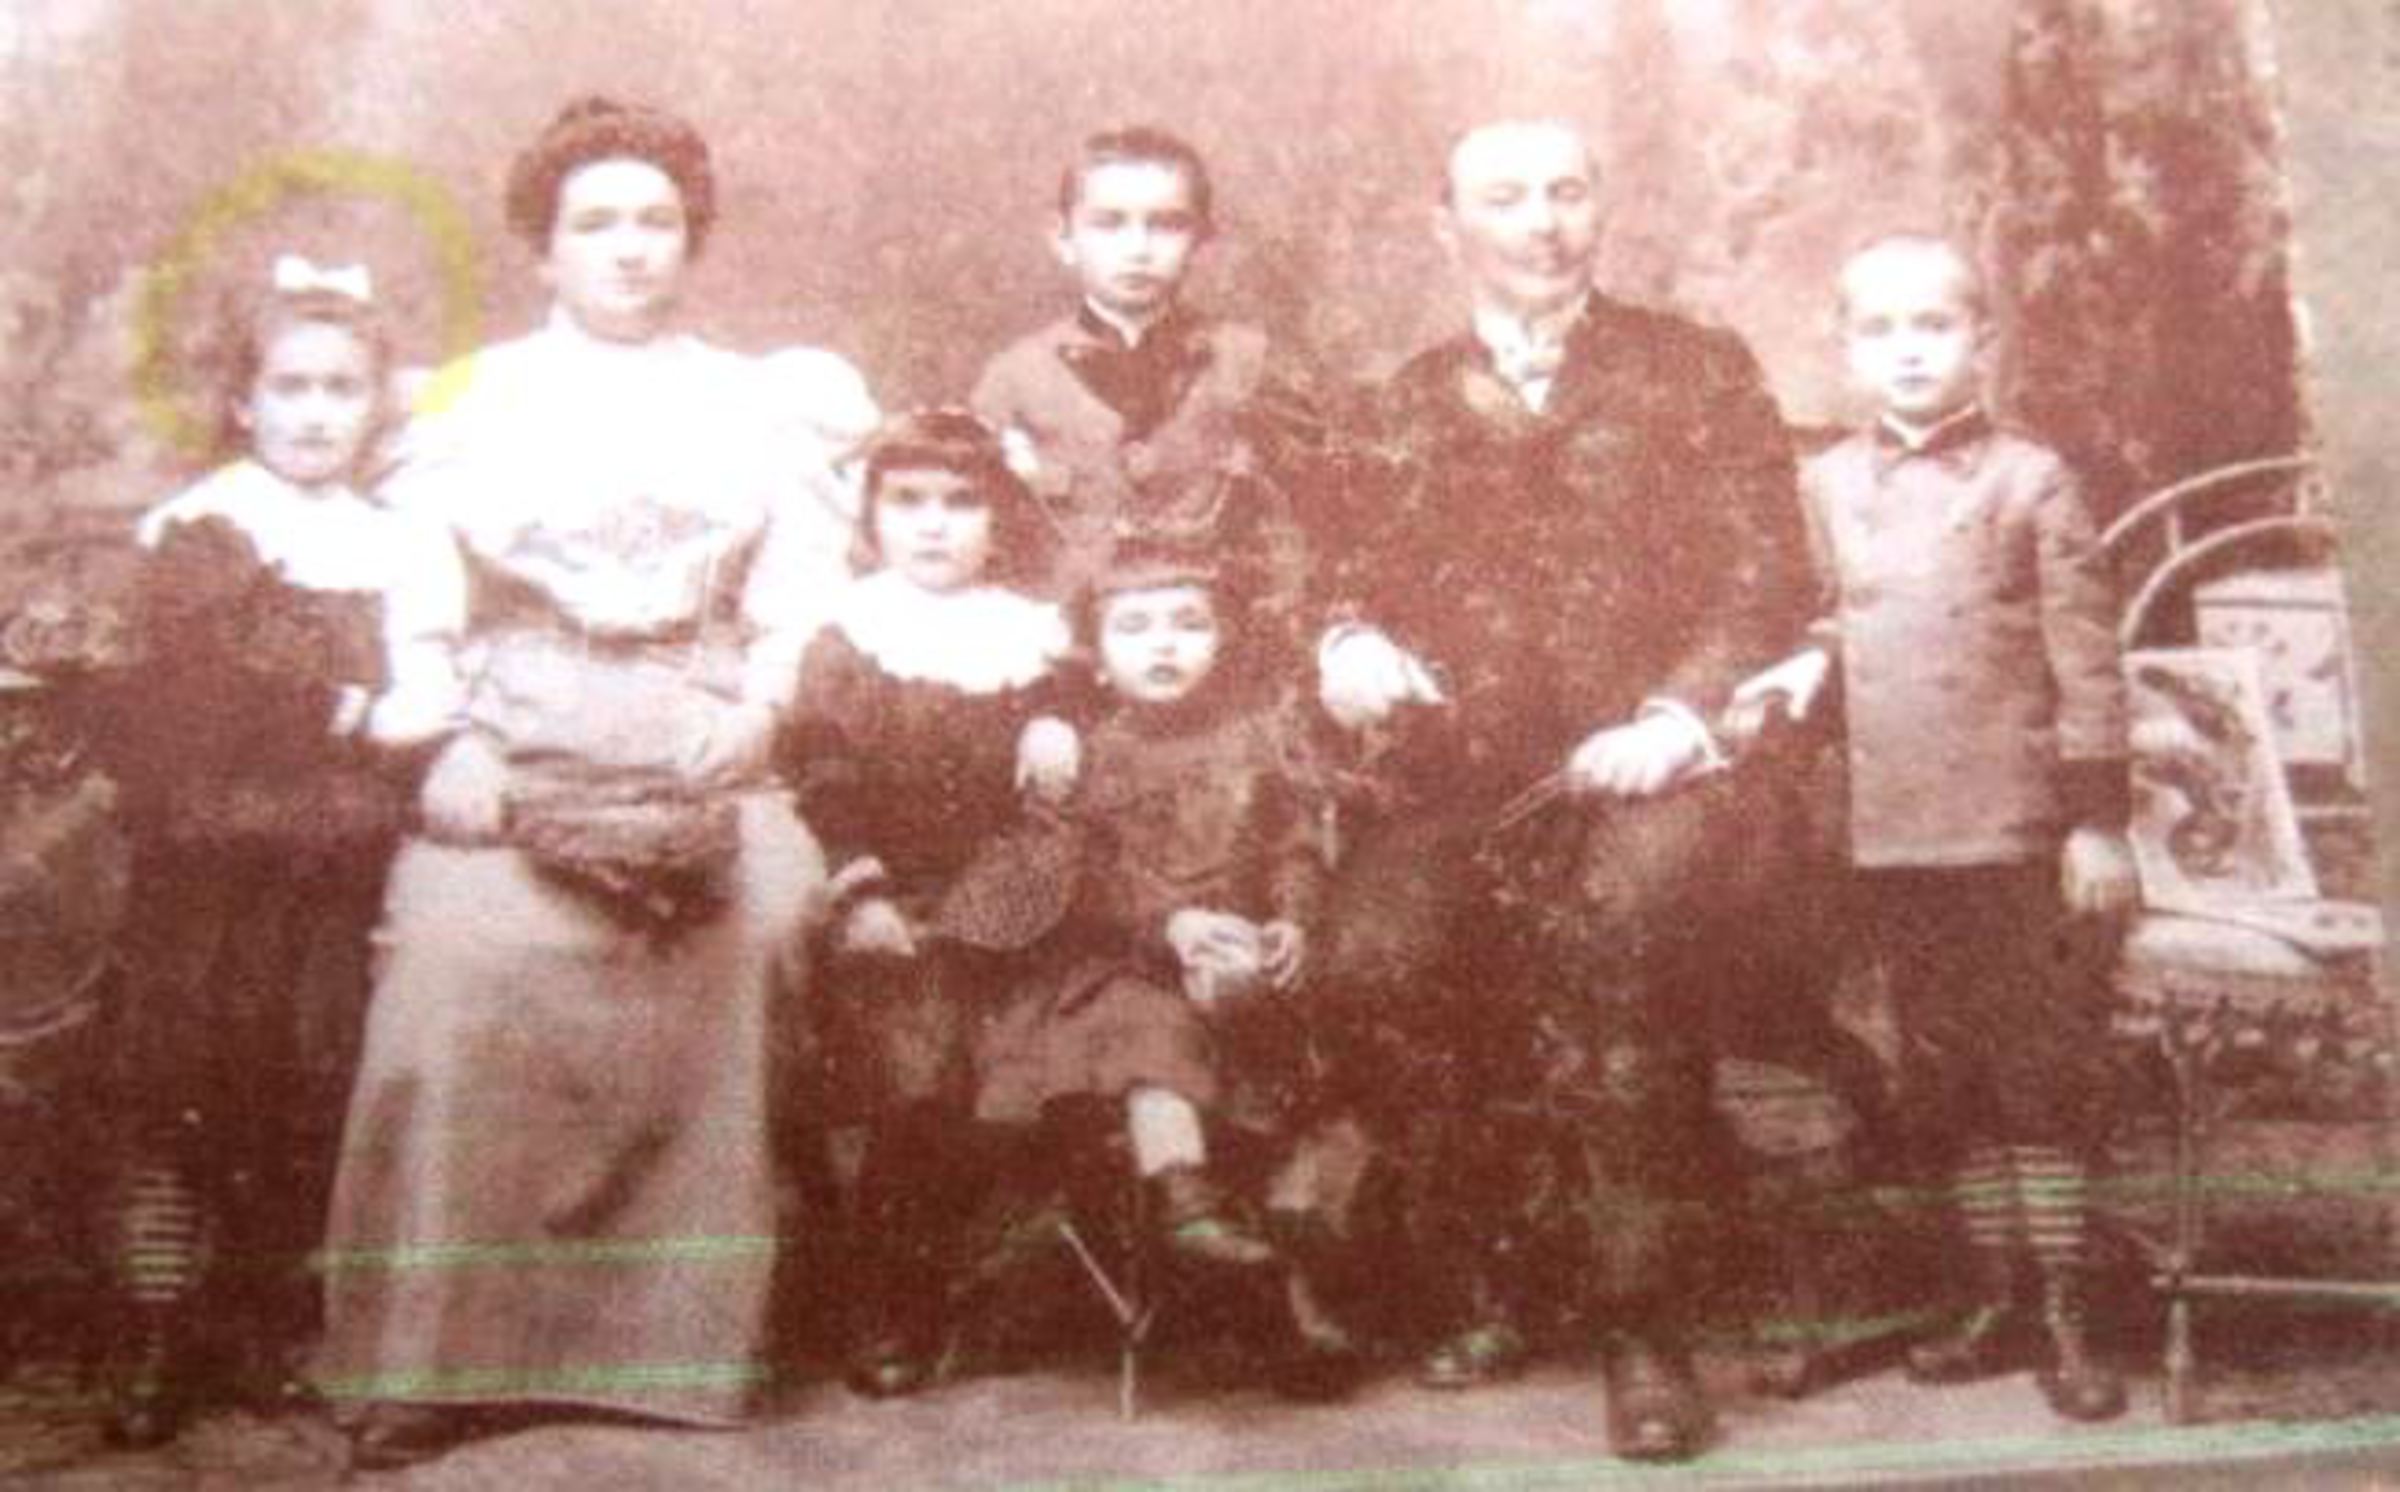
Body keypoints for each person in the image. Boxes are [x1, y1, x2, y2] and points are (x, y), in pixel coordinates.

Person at [312, 97, 872, 1471]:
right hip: (514, 726)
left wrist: (760, 711)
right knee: (462, 955)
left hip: (699, 721)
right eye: (596, 223)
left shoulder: (754, 404)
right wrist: (444, 743)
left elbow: (804, 597)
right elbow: (415, 601)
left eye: (657, 223)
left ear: (693, 241)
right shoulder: (472, 402)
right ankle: (436, 1355)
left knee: (758, 918)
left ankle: (677, 1347)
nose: (630, 249)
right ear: (543, 248)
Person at [1309, 118, 1812, 1462]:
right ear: (1446, 227)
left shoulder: (1695, 369)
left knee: (1618, 936)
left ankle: (1641, 1326)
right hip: (1472, 782)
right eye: (1507, 197)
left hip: (1666, 771)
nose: (1543, 222)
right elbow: (1347, 572)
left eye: (1568, 192)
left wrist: (1678, 716)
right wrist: (1349, 639)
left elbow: (1769, 574)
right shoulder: (1401, 400)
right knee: (1369, 959)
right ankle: (1496, 1272)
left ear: (1602, 210)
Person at [1734, 233, 2136, 1421]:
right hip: (1893, 834)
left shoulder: (2031, 479)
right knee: (1945, 1071)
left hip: (2017, 836)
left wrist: (2096, 823)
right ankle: (1993, 1293)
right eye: (1881, 330)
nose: (1908, 351)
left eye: (1936, 326)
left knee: (2037, 1071)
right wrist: (1796, 669)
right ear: (1846, 349)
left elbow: (2088, 663)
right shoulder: (1824, 485)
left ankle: (2066, 1306)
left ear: (1984, 342)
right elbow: (1825, 619)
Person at [99, 258, 461, 1447]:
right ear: (243, 402)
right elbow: (194, 697)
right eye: (289, 387)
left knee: (301, 1081)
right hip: (207, 858)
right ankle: (157, 1329)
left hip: (331, 862)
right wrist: (346, 709)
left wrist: (390, 709)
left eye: (341, 388)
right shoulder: (203, 529)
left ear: (376, 405)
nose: (314, 413)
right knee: (179, 1085)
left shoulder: (397, 542)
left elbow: (426, 689)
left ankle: (256, 1323)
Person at [777, 409, 1084, 1398]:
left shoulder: (1030, 636)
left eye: (962, 503)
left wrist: (1056, 718)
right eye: (907, 502)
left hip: (1014, 892)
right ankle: (886, 1298)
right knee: (916, 1077)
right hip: (891, 901)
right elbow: (823, 774)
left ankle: (991, 1287)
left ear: (1002, 519)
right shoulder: (849, 638)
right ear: (872, 516)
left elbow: (1078, 733)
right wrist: (860, 885)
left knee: (1022, 1073)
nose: (935, 525)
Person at [1036, 543, 1366, 1400]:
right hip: (1136, 960)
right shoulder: (1096, 755)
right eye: (1134, 628)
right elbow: (1085, 879)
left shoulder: (1257, 739)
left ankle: (1290, 1292)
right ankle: (1186, 1202)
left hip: (1241, 950)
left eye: (1189, 624)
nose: (1163, 644)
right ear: (1096, 655)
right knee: (1151, 1033)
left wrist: (1292, 919)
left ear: (1225, 640)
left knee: (1299, 1061)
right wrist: (1170, 924)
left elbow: (1294, 844)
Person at [970, 126, 1315, 652]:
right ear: (1062, 238)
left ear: (1201, 240)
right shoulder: (1014, 378)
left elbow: (1309, 520)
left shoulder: (1249, 363)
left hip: (1216, 658)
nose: (1138, 248)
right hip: (1064, 661)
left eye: (1167, 225)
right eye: (1109, 224)